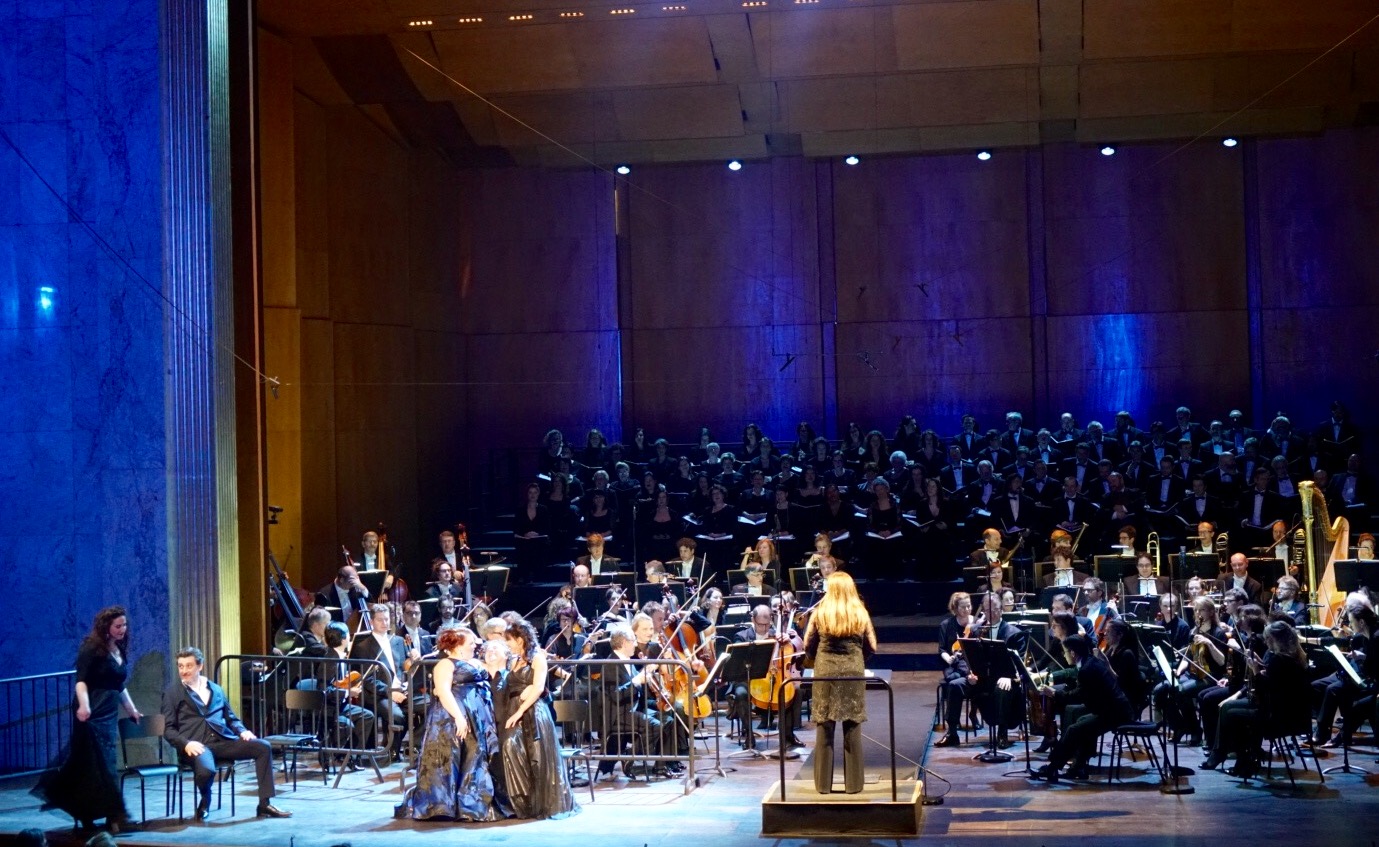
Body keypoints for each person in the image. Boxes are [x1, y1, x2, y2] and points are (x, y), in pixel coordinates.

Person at [34, 606, 142, 834]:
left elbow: (118, 684)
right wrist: (84, 706)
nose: (123, 629)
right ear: (106, 627)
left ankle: (106, 815)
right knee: (93, 764)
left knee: (104, 763)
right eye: (118, 626)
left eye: (124, 625)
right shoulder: (91, 647)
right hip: (93, 711)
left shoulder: (118, 648)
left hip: (109, 712)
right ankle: (112, 815)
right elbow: (81, 681)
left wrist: (131, 709)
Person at [161, 647, 290, 821]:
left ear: (200, 666)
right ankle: (205, 800)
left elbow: (231, 718)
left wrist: (243, 731)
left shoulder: (216, 689)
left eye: (189, 666)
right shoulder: (172, 693)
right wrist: (186, 744)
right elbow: (168, 730)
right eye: (180, 666)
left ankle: (264, 804)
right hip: (197, 746)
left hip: (222, 741)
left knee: (263, 747)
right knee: (206, 771)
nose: (184, 671)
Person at [402, 626, 509, 821]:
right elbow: (443, 691)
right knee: (451, 756)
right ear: (459, 645)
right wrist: (459, 717)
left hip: (476, 716)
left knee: (474, 756)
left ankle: (473, 801)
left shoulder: (474, 662)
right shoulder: (446, 664)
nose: (475, 646)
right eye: (471, 643)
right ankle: (445, 805)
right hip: (452, 716)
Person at [496, 618, 581, 818]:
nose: (507, 644)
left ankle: (539, 804)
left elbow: (538, 687)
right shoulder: (512, 660)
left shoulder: (537, 658)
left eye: (509, 640)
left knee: (536, 756)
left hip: (533, 711)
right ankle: (521, 802)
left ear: (520, 639)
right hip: (513, 708)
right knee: (510, 747)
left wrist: (520, 711)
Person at [1204, 621, 1311, 778]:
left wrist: (1255, 669)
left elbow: (1267, 688)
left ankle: (1241, 760)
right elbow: (1275, 680)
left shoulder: (1280, 659)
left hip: (1278, 716)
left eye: (1268, 639)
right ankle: (1235, 756)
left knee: (1232, 714)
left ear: (1275, 640)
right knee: (1228, 707)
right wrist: (1260, 663)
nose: (1266, 643)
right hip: (1287, 711)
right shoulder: (1294, 656)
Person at [805, 571, 877, 794]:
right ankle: (854, 785)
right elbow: (872, 646)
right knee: (852, 726)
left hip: (825, 671)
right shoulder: (860, 612)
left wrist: (817, 658)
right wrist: (857, 659)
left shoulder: (820, 612)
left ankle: (822, 785)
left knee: (824, 726)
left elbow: (808, 645)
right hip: (853, 671)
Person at [1031, 634, 1133, 782]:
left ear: (1073, 653)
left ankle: (1052, 768)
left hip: (1116, 714)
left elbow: (1078, 696)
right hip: (1111, 710)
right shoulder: (1090, 661)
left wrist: (1053, 693)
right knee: (1081, 722)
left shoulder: (1086, 669)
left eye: (1065, 652)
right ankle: (1077, 766)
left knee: (1075, 729)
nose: (1064, 655)